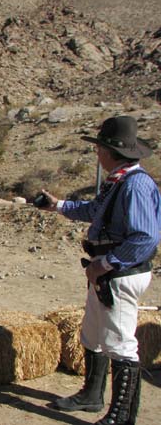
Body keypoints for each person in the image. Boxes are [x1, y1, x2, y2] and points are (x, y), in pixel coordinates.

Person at [36, 116, 160, 425]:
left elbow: (145, 237)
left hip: (119, 271)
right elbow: (94, 210)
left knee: (120, 343)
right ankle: (91, 395)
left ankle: (121, 416)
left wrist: (105, 264)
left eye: (99, 148)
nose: (97, 154)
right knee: (92, 334)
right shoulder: (119, 181)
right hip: (107, 271)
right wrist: (58, 206)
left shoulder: (135, 185)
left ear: (109, 151)